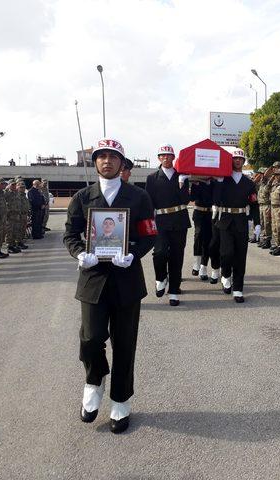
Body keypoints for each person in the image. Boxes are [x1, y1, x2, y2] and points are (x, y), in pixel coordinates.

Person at [64, 137, 157, 434]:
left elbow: (148, 234)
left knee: (125, 343)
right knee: (90, 339)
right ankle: (94, 382)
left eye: (113, 157)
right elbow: (70, 235)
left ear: (122, 163)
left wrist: (133, 254)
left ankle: (121, 400)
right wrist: (80, 253)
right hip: (93, 279)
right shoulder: (82, 197)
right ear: (95, 163)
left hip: (126, 280)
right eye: (101, 157)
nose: (107, 161)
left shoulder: (139, 197)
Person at [145, 144, 190, 307]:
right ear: (159, 158)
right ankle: (160, 277)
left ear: (173, 158)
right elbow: (149, 202)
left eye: (169, 155)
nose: (166, 158)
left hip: (179, 219)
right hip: (161, 221)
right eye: (162, 155)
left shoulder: (182, 176)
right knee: (160, 253)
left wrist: (181, 184)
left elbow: (185, 200)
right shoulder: (152, 177)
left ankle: (174, 290)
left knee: (177, 256)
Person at [213, 148, 260, 302]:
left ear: (243, 161)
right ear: (230, 161)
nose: (238, 161)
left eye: (240, 159)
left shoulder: (249, 183)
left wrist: (257, 223)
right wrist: (219, 183)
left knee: (240, 256)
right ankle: (225, 275)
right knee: (226, 253)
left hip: (241, 220)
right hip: (225, 220)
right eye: (235, 158)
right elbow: (216, 199)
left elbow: (254, 203)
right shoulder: (223, 179)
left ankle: (238, 288)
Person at [190, 177, 215, 280]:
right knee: (198, 236)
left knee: (208, 241)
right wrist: (195, 184)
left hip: (211, 213)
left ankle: (203, 266)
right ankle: (196, 263)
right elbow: (192, 198)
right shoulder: (198, 181)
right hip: (199, 212)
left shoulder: (215, 181)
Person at [269, 161, 280, 256]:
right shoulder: (274, 184)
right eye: (275, 175)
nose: (276, 176)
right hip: (274, 208)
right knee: (275, 228)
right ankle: (277, 244)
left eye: (278, 175)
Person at [257, 167, 273, 249]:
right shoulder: (262, 183)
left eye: (261, 173)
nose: (260, 175)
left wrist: (266, 173)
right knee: (262, 223)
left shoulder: (269, 182)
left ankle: (268, 241)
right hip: (261, 205)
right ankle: (264, 239)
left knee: (267, 224)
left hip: (267, 205)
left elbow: (266, 176)